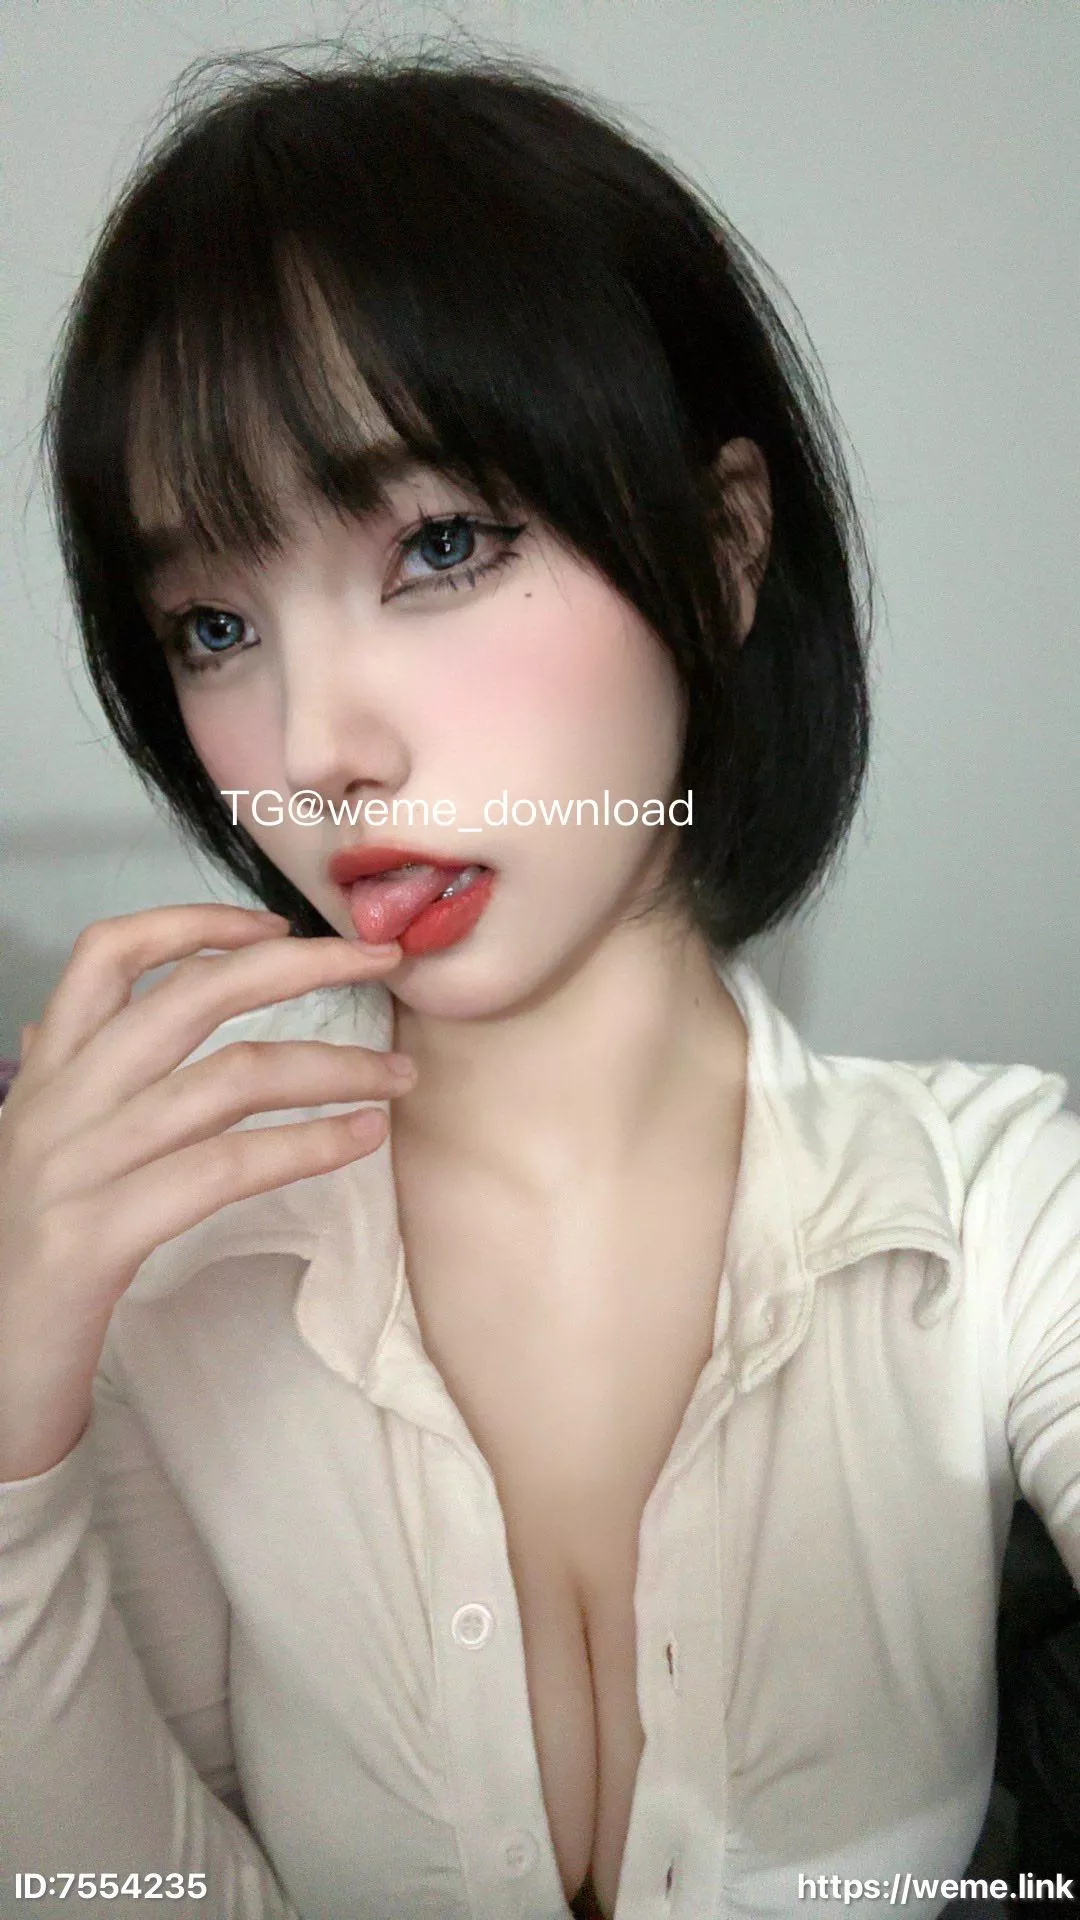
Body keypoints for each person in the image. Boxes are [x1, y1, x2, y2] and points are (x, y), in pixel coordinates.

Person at [1, 39, 1077, 1920]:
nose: (318, 749)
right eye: (215, 624)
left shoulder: (992, 1214)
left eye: (440, 544)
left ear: (723, 551)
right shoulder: (173, 1259)